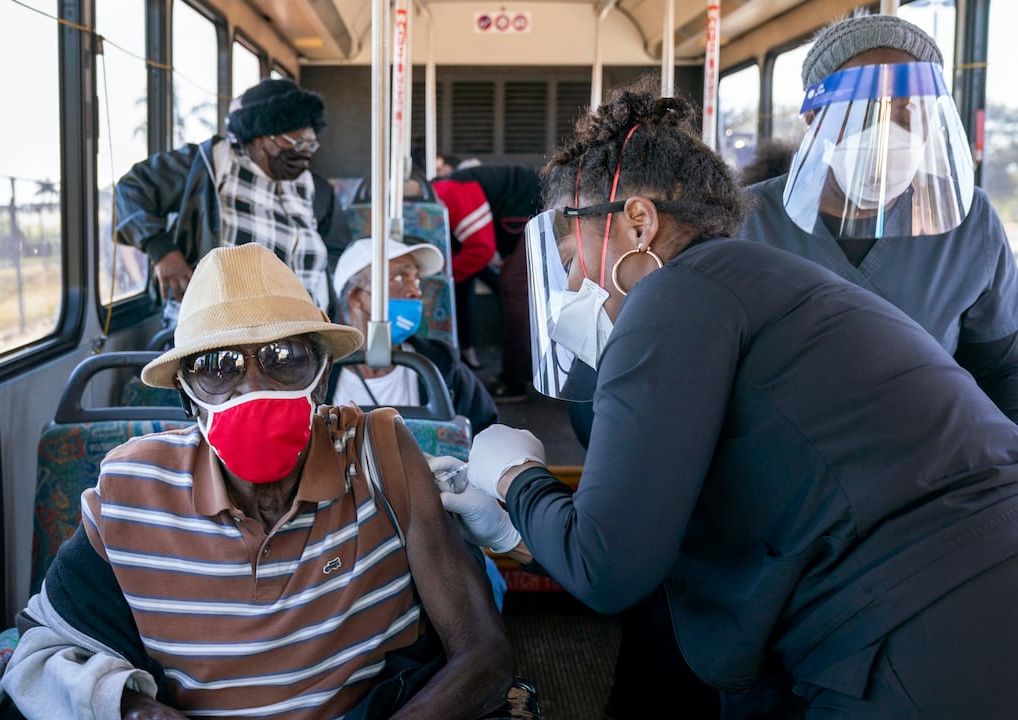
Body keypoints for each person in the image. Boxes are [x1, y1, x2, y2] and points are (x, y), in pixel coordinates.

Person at [456, 84, 1018, 718]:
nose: (574, 285)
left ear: (638, 222)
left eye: (571, 256)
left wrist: (516, 477)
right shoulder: (755, 278)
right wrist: (520, 527)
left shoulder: (673, 297)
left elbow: (607, 567)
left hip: (920, 624)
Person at [1, 243, 515, 719]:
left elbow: (483, 656)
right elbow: (41, 652)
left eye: (285, 359)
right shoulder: (130, 490)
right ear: (187, 396)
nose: (253, 388)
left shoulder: (379, 452)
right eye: (218, 367)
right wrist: (135, 709)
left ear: (322, 376)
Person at [738, 12, 1018, 423]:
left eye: (909, 113)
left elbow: (1001, 370)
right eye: (864, 110)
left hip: (928, 469)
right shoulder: (746, 221)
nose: (888, 133)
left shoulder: (969, 223)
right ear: (815, 118)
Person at [114, 78, 353, 311]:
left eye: (311, 145)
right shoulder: (208, 166)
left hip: (301, 326)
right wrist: (162, 250)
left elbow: (339, 253)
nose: (306, 153)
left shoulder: (316, 189)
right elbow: (131, 190)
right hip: (219, 324)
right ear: (261, 137)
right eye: (296, 143)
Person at [329, 237, 499, 434]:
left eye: (416, 280)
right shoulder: (318, 377)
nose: (415, 291)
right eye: (399, 278)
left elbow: (488, 432)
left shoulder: (441, 365)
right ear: (357, 297)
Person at [431, 165, 542, 402]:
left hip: (544, 207)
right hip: (528, 212)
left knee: (514, 285)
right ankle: (531, 369)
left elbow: (481, 250)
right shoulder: (444, 191)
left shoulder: (447, 192)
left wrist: (442, 284)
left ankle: (514, 381)